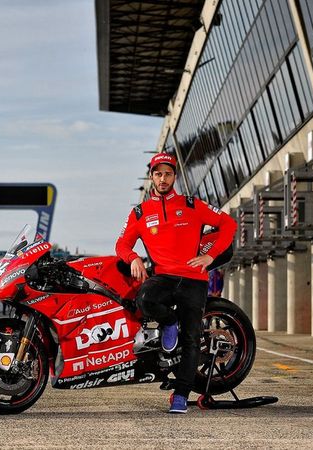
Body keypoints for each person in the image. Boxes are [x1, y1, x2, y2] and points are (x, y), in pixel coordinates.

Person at [115, 152, 237, 414]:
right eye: (158, 174)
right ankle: (170, 322)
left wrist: (210, 255)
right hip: (164, 277)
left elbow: (228, 224)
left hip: (194, 278)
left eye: (168, 173)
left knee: (192, 339)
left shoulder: (192, 204)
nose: (163, 178)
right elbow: (122, 243)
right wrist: (133, 257)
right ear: (152, 177)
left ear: (174, 176)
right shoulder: (140, 212)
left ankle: (180, 395)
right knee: (144, 299)